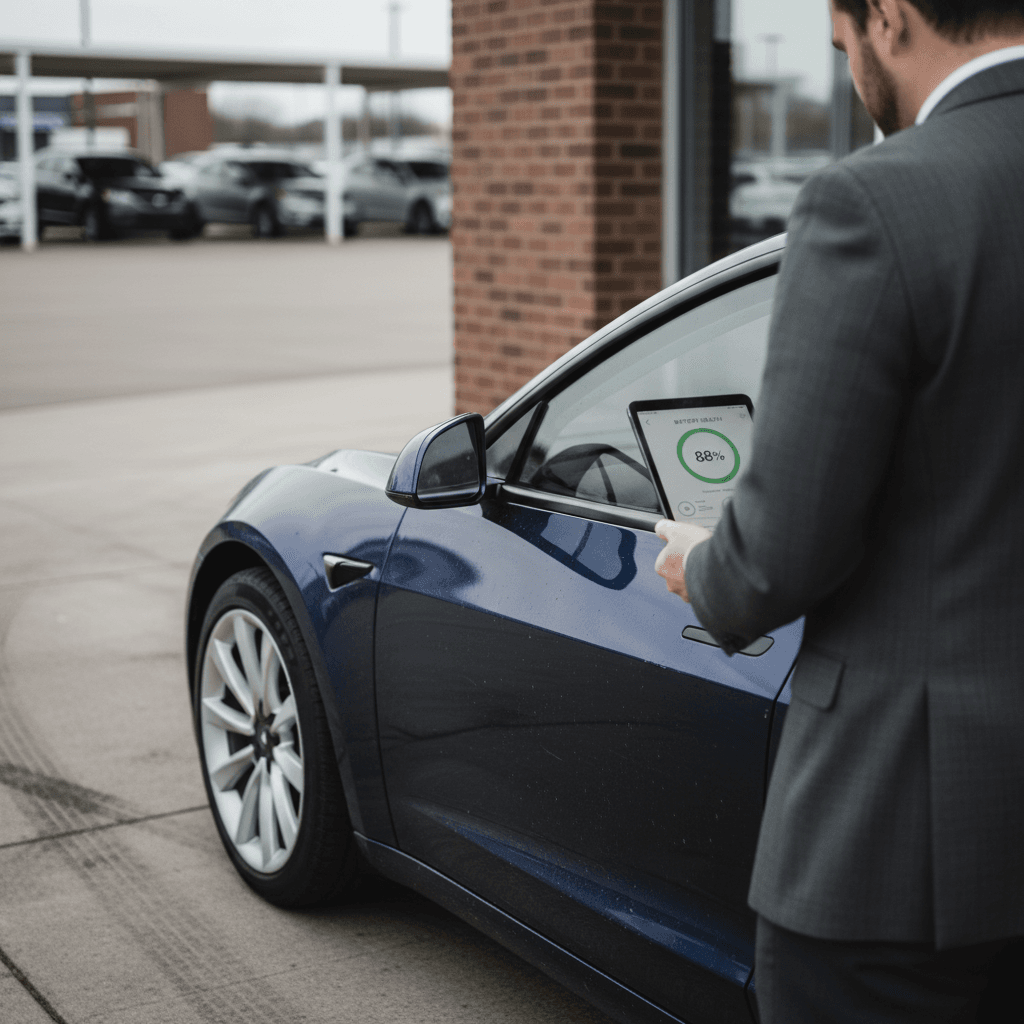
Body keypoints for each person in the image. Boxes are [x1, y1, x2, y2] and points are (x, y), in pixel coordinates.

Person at [654, 0, 1024, 1020]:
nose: (844, 63)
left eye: (840, 38)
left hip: (908, 849)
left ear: (891, 18)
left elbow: (778, 556)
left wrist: (705, 567)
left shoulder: (876, 201)